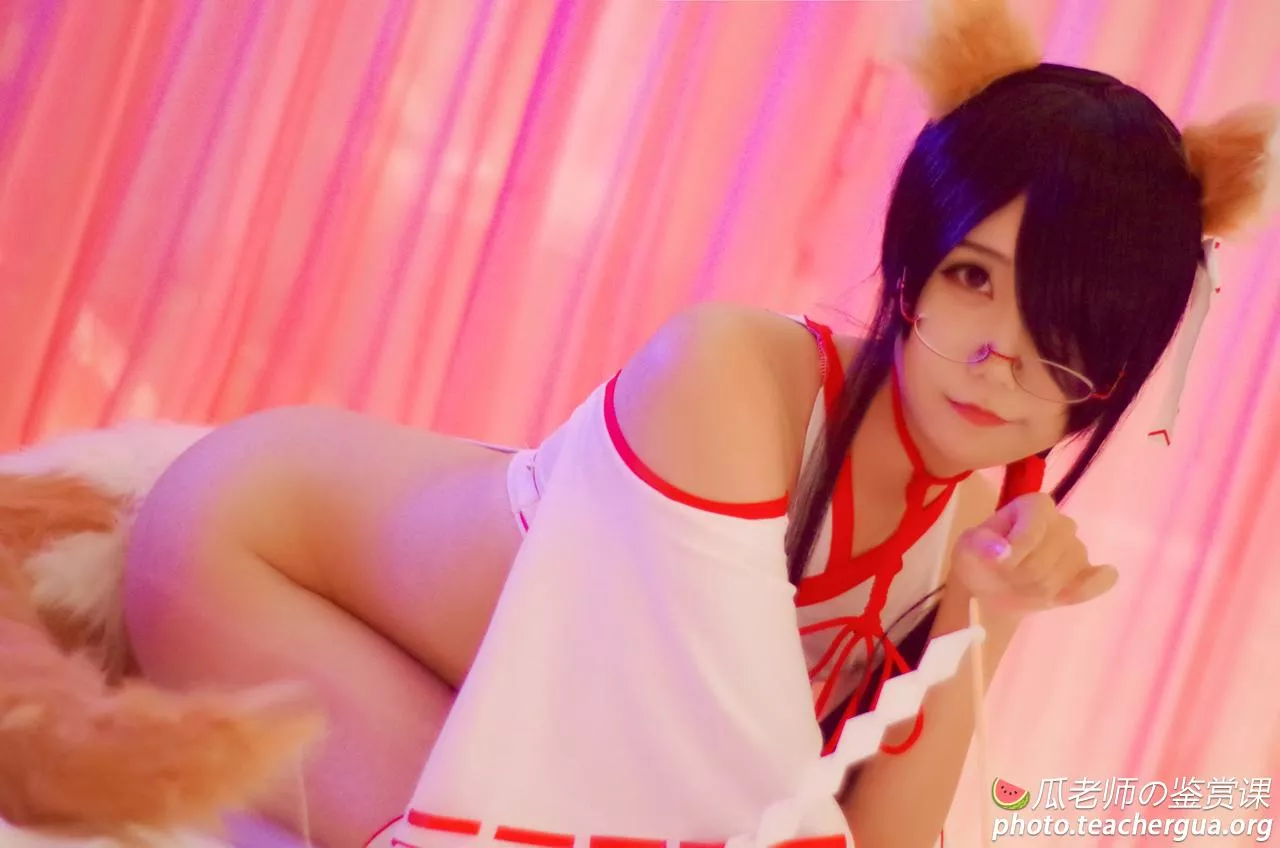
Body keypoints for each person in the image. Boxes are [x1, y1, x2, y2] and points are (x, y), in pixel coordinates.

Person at [119, 1, 1278, 846]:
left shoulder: (971, 523)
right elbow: (732, 785)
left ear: (1113, 370)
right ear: (911, 261)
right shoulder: (726, 378)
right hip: (255, 550)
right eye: (973, 277)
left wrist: (983, 612)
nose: (999, 356)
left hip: (471, 662)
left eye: (1062, 327)